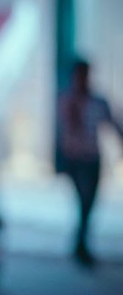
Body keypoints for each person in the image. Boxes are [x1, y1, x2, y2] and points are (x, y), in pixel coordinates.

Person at [55, 60, 123, 268]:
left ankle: (81, 245)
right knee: (83, 202)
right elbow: (63, 131)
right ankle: (80, 247)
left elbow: (113, 125)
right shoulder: (68, 100)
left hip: (92, 158)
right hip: (76, 160)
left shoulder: (97, 101)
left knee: (89, 203)